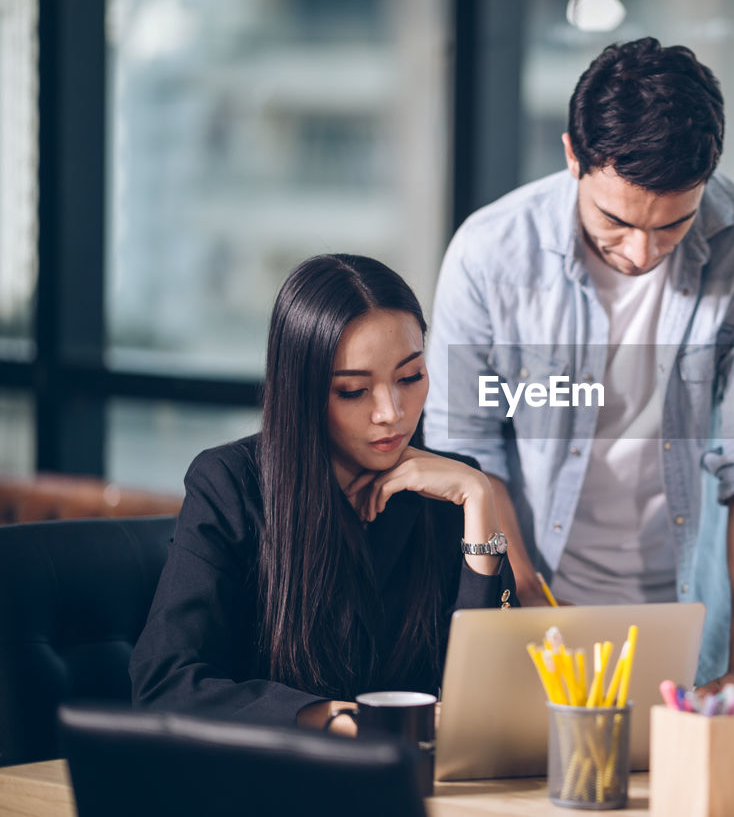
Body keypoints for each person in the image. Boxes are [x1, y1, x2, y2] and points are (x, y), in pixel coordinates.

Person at [424, 37, 734, 694]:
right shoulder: (491, 252)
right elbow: (467, 451)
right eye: (617, 221)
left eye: (672, 226)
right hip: (532, 590)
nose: (641, 252)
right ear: (573, 156)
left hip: (688, 616)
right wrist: (525, 606)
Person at [131, 254, 516, 733]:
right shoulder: (230, 484)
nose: (391, 413)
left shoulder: (450, 490)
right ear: (303, 391)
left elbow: (496, 693)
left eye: (410, 378)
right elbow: (164, 683)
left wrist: (479, 497)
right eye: (354, 390)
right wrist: (331, 717)